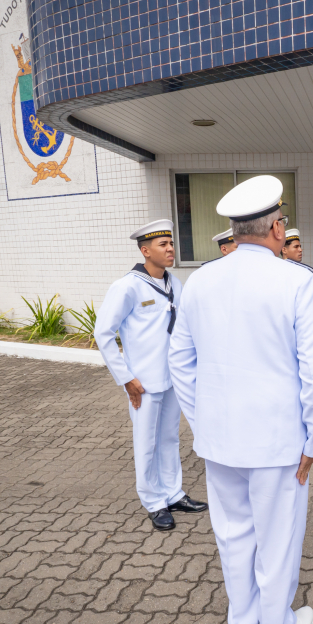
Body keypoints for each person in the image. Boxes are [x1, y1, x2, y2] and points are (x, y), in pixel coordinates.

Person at [168, 176, 313, 624]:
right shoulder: (298, 281)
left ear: (236, 231)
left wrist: (203, 423)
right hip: (278, 442)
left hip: (220, 440)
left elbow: (180, 360)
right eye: (283, 221)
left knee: (234, 536)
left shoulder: (200, 280)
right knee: (278, 538)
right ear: (277, 228)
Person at [94, 219, 208, 532]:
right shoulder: (127, 286)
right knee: (146, 442)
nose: (171, 249)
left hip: (173, 378)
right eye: (163, 245)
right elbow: (103, 332)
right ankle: (153, 501)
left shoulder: (175, 283)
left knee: (169, 438)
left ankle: (173, 493)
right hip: (143, 383)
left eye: (171, 243)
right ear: (145, 250)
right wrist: (125, 377)